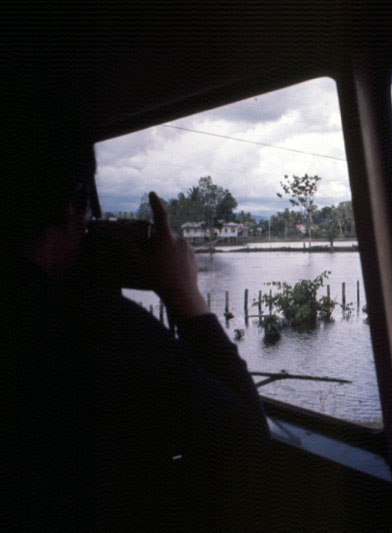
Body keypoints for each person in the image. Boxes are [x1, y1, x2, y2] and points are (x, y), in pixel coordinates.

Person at [7, 132, 272, 529]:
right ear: (75, 203)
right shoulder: (103, 328)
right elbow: (250, 451)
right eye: (91, 214)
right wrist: (185, 296)